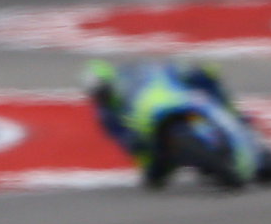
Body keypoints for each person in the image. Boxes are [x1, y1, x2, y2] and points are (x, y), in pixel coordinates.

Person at [82, 58, 243, 189]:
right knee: (152, 179)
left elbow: (157, 74)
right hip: (144, 136)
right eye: (98, 93)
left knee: (205, 85)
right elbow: (121, 138)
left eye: (103, 89)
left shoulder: (127, 79)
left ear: (109, 80)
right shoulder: (106, 115)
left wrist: (179, 70)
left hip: (160, 108)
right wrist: (133, 140)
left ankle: (231, 124)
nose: (102, 95)